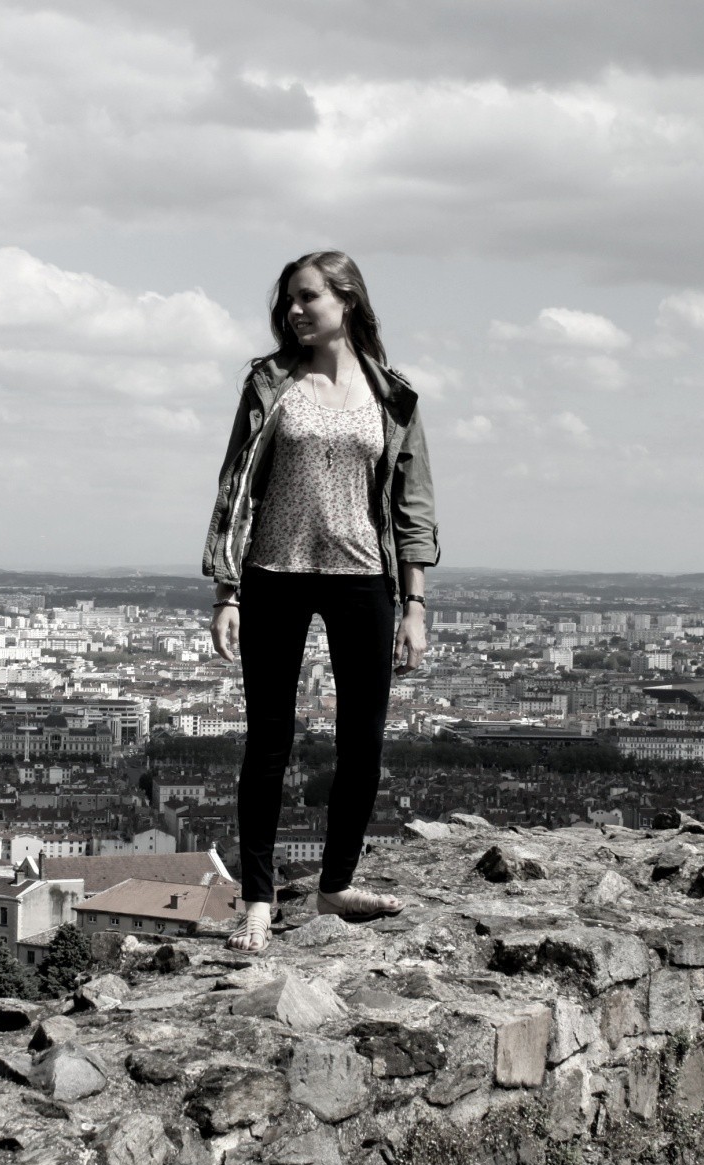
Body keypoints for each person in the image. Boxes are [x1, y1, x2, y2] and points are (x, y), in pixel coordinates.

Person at [201, 250, 439, 953]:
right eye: (288, 303)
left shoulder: (393, 397)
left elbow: (412, 505)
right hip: (275, 572)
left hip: (364, 577)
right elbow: (235, 488)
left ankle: (336, 883)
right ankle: (258, 897)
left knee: (362, 744)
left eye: (307, 298)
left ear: (348, 301)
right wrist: (227, 589)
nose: (294, 312)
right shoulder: (271, 383)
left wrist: (416, 605)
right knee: (268, 744)